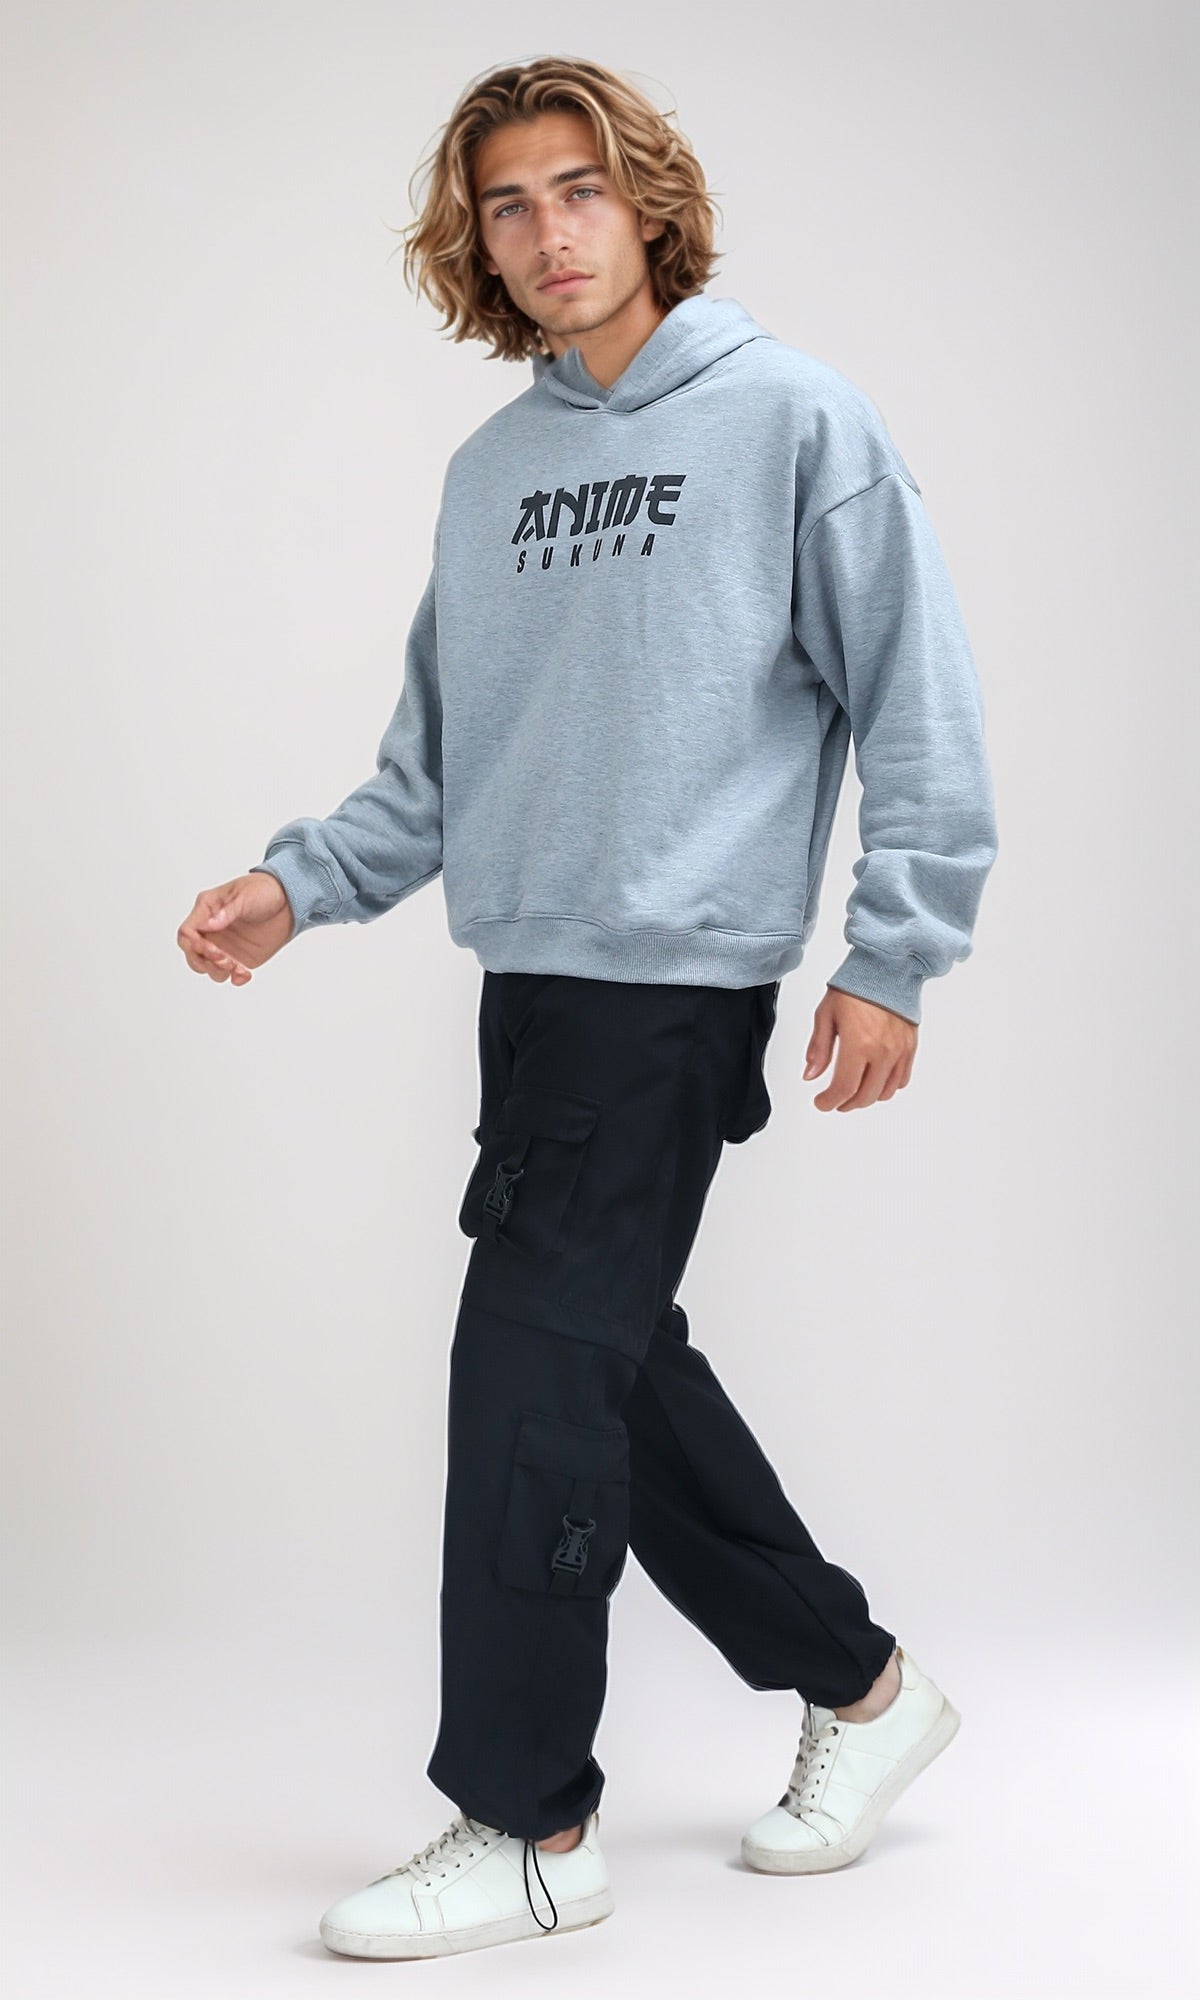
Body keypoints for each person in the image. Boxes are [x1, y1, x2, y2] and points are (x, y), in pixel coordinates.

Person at [176, 55, 998, 1961]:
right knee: (607, 1369)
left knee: (528, 1380)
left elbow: (918, 697)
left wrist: (894, 953)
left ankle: (527, 1818)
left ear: (647, 204)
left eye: (580, 190)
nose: (548, 233)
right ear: (474, 242)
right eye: (508, 205)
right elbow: (435, 769)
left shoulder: (794, 419)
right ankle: (865, 1690)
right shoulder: (491, 476)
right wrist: (299, 885)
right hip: (531, 984)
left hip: (675, 989)